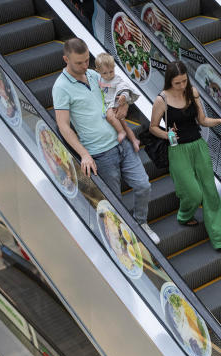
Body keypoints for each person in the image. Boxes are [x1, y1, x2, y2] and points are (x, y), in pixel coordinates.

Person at [52, 38, 158, 244]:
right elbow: (64, 126)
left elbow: (119, 91)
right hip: (100, 153)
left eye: (86, 60)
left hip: (122, 143)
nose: (85, 66)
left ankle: (140, 224)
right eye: (79, 63)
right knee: (114, 201)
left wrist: (125, 102)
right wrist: (84, 154)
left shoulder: (93, 75)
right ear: (66, 59)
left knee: (143, 185)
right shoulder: (61, 87)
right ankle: (124, 238)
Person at [148, 61, 221, 253]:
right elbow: (153, 127)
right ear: (169, 82)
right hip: (178, 150)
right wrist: (167, 135)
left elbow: (202, 120)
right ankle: (184, 215)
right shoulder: (161, 100)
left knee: (210, 193)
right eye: (177, 83)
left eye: (184, 81)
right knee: (192, 192)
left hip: (198, 146)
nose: (182, 86)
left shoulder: (193, 92)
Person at [94, 53, 140, 151]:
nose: (109, 75)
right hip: (107, 104)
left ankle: (121, 132)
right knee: (124, 124)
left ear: (114, 68)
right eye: (105, 73)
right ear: (98, 71)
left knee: (110, 116)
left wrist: (123, 97)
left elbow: (124, 88)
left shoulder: (116, 79)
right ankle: (134, 140)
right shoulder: (98, 79)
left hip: (115, 104)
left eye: (111, 71)